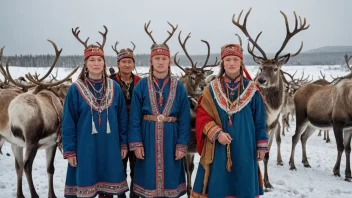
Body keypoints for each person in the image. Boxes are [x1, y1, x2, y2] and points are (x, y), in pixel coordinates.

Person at [191, 43, 269, 198]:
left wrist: (261, 145)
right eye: (227, 60)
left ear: (241, 62)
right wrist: (216, 132)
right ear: (223, 63)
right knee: (218, 185)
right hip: (218, 148)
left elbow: (260, 120)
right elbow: (202, 115)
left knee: (243, 183)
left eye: (235, 59)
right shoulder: (211, 89)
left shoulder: (252, 90)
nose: (231, 63)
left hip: (245, 146)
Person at [62, 28, 129, 198]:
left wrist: (123, 144)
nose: (96, 63)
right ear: (86, 63)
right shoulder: (75, 90)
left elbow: (122, 119)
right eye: (92, 60)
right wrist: (70, 150)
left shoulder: (114, 88)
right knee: (85, 185)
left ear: (104, 63)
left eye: (99, 59)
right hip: (85, 148)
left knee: (108, 188)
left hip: (110, 146)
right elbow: (68, 122)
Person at [128, 21, 190, 197]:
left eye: (164, 58)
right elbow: (134, 118)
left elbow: (185, 119)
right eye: (157, 58)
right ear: (151, 61)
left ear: (169, 61)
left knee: (170, 180)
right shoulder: (141, 86)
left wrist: (182, 144)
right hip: (147, 139)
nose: (161, 62)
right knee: (148, 181)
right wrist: (136, 143)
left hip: (172, 138)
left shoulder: (179, 87)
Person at [110, 42, 140, 198]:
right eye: (124, 62)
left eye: (130, 61)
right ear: (118, 64)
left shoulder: (140, 82)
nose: (127, 65)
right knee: (118, 168)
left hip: (136, 132)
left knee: (137, 169)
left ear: (133, 64)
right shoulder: (110, 82)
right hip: (115, 134)